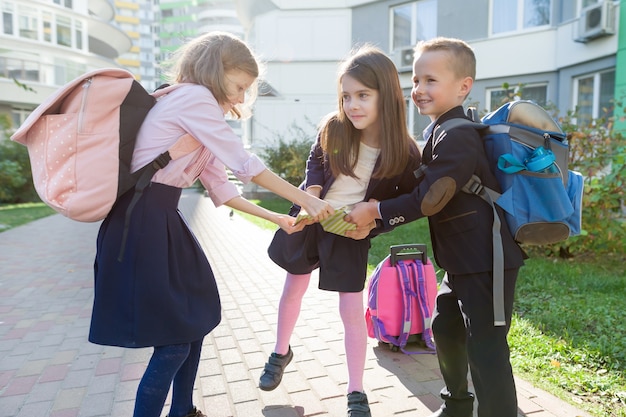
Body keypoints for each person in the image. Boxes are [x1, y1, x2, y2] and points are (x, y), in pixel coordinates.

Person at [88, 31, 334, 417]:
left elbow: (220, 184)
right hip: (142, 219)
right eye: (238, 86)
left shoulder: (195, 108)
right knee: (173, 341)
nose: (239, 98)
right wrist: (305, 198)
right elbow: (244, 163)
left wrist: (278, 218)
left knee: (194, 321)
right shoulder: (193, 98)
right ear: (217, 71)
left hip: (161, 216)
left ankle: (183, 410)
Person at [345, 37, 526, 417]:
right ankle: (457, 406)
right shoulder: (439, 133)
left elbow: (430, 198)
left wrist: (376, 211)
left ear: (463, 86)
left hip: (487, 259)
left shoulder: (457, 134)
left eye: (431, 80)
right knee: (446, 328)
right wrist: (372, 222)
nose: (419, 90)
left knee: (486, 349)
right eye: (415, 81)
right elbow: (414, 191)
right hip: (462, 259)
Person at [258, 45, 422, 417]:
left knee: (351, 309)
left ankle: (355, 390)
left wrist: (372, 226)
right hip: (312, 219)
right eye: (346, 96)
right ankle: (280, 351)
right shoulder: (334, 127)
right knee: (292, 288)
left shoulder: (405, 153)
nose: (352, 104)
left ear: (387, 96)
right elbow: (316, 162)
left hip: (350, 231)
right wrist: (310, 194)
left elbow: (408, 203)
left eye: (363, 95)